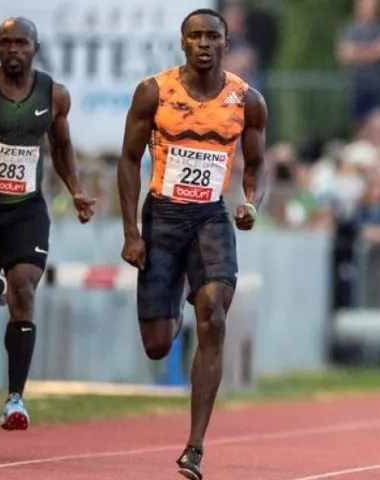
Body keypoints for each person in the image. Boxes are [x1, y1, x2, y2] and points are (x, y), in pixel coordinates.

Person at [116, 8, 267, 480]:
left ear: (226, 43)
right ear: (183, 43)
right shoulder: (154, 92)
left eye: (212, 37)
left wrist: (250, 202)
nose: (204, 44)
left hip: (209, 216)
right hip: (161, 215)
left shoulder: (247, 100)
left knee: (215, 318)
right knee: (158, 344)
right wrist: (130, 232)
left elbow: (258, 166)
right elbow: (127, 159)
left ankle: (194, 446)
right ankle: (176, 290)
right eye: (195, 36)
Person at [0, 17, 96, 431]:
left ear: (35, 48)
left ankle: (15, 399)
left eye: (21, 43)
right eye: (6, 43)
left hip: (27, 210)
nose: (13, 50)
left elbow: (62, 147)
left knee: (25, 286)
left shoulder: (54, 95)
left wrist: (75, 190)